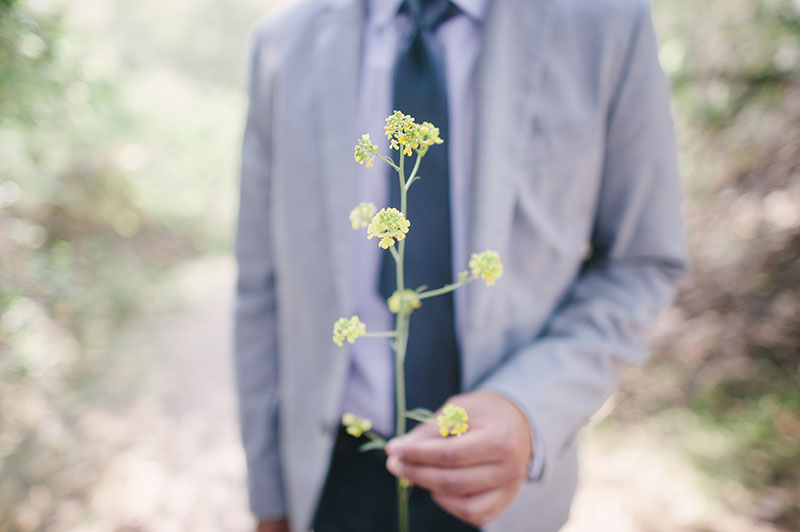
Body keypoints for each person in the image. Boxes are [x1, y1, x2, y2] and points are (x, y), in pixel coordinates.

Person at [234, 0, 687, 531]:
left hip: (511, 494)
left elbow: (642, 262)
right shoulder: (282, 43)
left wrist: (530, 409)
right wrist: (269, 497)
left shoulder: (605, 23)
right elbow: (259, 289)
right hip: (331, 476)